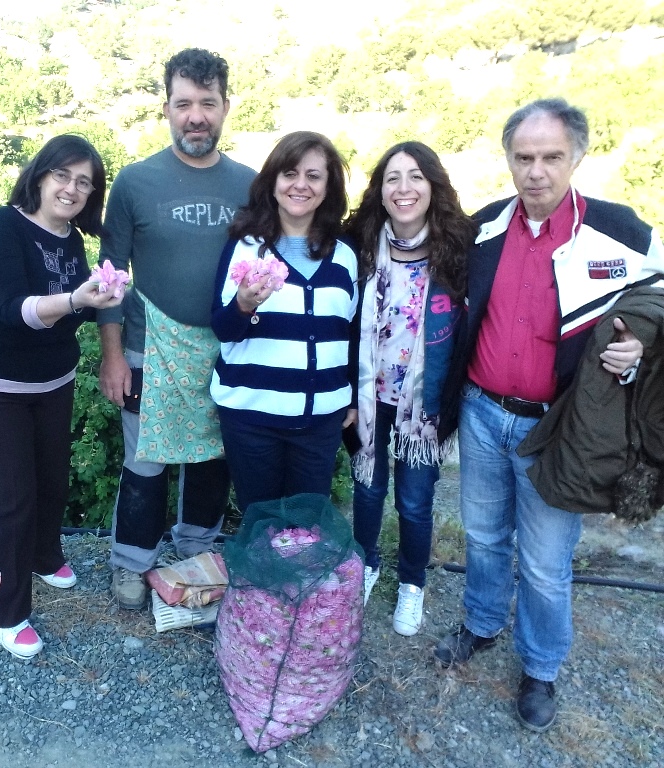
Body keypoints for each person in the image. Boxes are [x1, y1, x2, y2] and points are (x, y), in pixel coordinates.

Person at [434, 98, 664, 733]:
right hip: (482, 414)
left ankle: (539, 666)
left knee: (543, 559)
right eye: (524, 157)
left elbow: (660, 300)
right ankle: (482, 623)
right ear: (508, 159)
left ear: (577, 157)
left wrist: (641, 347)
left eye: (552, 157)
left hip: (558, 427)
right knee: (483, 536)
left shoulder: (619, 231)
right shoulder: (484, 227)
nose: (536, 171)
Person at [0, 135, 122, 658]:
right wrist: (75, 299)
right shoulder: (1, 227)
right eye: (62, 175)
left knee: (50, 481)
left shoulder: (71, 240)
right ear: (40, 176)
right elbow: (11, 309)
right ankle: (4, 613)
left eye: (84, 182)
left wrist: (100, 298)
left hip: (51, 383)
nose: (71, 188)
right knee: (9, 501)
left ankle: (44, 556)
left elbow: (67, 314)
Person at [97, 48, 256, 609]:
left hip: (225, 350)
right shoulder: (135, 182)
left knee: (213, 459)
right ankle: (130, 563)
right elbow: (110, 275)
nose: (196, 117)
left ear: (226, 107)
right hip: (148, 348)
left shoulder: (250, 184)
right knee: (144, 463)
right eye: (184, 103)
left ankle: (196, 556)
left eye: (207, 104)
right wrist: (112, 355)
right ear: (165, 108)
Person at [344, 142, 475, 636]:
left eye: (416, 176)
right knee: (367, 490)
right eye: (392, 178)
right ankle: (365, 565)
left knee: (416, 502)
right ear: (380, 190)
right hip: (369, 400)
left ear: (433, 186)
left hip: (425, 405)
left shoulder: (459, 252)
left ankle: (412, 584)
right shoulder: (358, 247)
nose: (404, 188)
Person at [210, 131, 357, 514]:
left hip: (319, 424)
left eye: (313, 176)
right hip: (251, 421)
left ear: (328, 187)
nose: (300, 185)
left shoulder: (345, 256)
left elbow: (350, 335)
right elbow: (223, 329)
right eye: (290, 173)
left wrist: (353, 397)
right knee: (261, 523)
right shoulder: (245, 249)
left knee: (306, 526)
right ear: (273, 181)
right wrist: (243, 304)